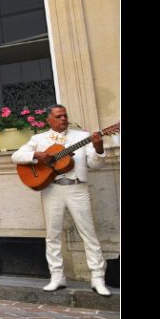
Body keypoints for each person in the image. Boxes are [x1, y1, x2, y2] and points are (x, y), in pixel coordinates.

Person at [11, 104, 111, 296]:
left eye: (65, 115)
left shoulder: (82, 136)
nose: (63, 119)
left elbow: (94, 164)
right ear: (49, 120)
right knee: (53, 234)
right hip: (52, 189)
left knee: (88, 234)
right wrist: (36, 155)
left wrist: (98, 149)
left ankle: (98, 278)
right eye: (58, 116)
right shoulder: (39, 139)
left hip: (77, 188)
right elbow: (16, 156)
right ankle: (57, 277)